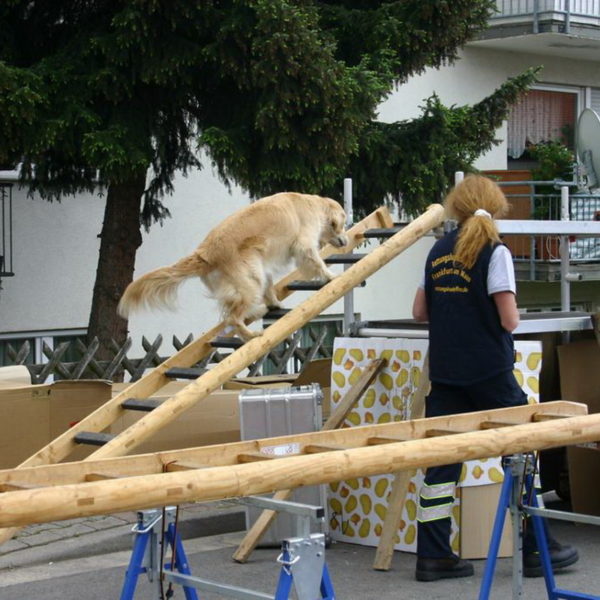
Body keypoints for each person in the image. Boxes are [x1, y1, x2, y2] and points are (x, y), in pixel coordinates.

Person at [411, 174, 579, 582]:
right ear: (496, 205)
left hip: (447, 374)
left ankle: (433, 556)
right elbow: (509, 319)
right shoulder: (495, 251)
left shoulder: (438, 250)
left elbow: (419, 312)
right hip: (489, 372)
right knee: (519, 455)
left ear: (457, 206)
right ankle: (536, 546)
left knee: (440, 468)